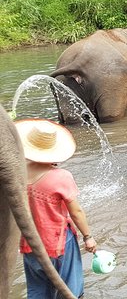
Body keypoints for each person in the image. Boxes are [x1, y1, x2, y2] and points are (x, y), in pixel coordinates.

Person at [15, 119, 97, 299]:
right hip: (59, 244)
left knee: (37, 291)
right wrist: (88, 237)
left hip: (29, 243)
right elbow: (76, 212)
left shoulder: (17, 173)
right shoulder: (61, 177)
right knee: (70, 290)